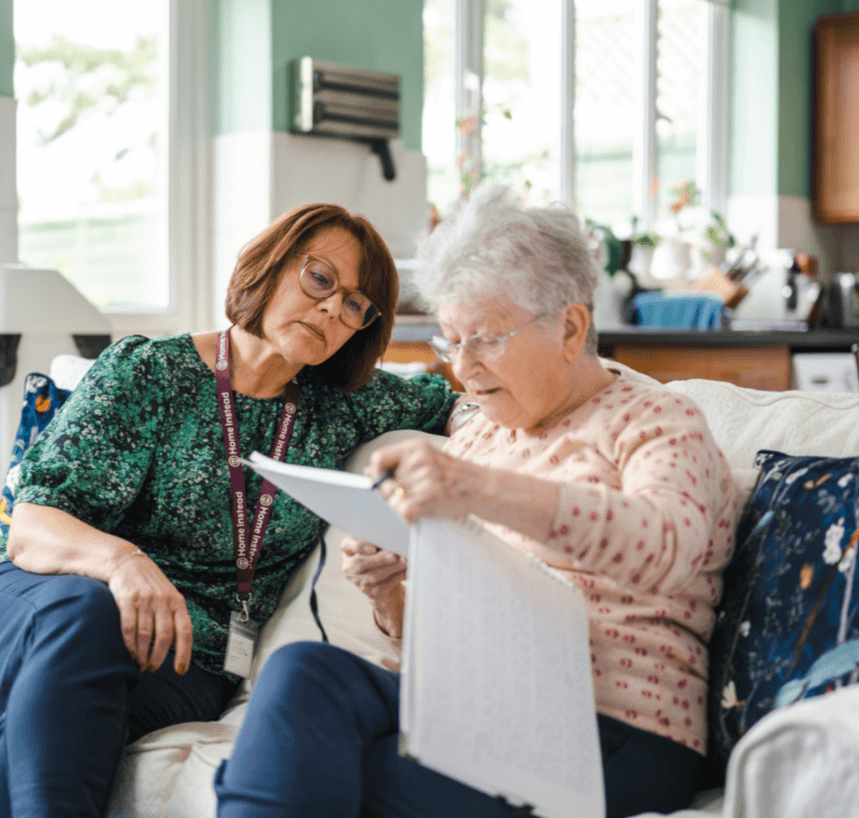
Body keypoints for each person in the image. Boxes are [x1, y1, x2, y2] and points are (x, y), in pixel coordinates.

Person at [213, 183, 739, 818]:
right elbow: (452, 626)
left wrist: (477, 489)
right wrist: (391, 595)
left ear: (570, 327)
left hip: (610, 730)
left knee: (350, 781)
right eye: (450, 341)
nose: (462, 369)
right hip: (476, 703)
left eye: (485, 339)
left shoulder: (657, 421)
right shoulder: (481, 432)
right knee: (304, 671)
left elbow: (667, 546)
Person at [0, 203, 464, 818]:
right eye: (321, 278)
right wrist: (123, 563)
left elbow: (463, 403)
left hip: (187, 659)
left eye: (355, 304)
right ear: (268, 267)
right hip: (33, 602)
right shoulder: (149, 373)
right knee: (86, 614)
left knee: (65, 726)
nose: (331, 308)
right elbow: (30, 528)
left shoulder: (345, 407)